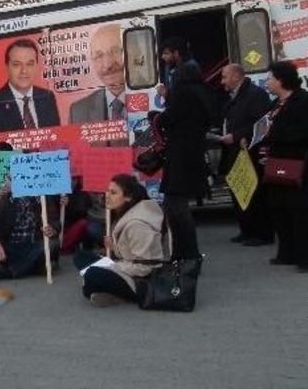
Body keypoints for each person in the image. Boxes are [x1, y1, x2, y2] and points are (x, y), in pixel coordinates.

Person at [261, 61, 308, 273]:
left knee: (301, 213)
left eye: (270, 78)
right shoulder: (275, 104)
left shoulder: (307, 101)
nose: (267, 82)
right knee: (280, 210)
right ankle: (287, 252)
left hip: (299, 164)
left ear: (281, 80)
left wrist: (274, 135)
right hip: (277, 163)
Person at [76, 174, 165, 306]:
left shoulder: (137, 225)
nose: (107, 195)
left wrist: (113, 267)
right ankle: (111, 293)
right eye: (107, 191)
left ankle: (125, 295)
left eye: (113, 193)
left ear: (128, 197)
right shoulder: (123, 213)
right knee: (80, 257)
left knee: (92, 275)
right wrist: (114, 248)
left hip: (141, 278)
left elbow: (144, 267)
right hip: (127, 266)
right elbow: (127, 253)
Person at [157, 58, 213, 261]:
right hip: (194, 153)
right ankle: (185, 252)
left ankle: (187, 253)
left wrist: (157, 117)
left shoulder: (183, 94)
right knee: (179, 205)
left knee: (176, 205)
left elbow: (168, 118)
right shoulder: (202, 92)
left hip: (180, 155)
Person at [219, 63, 274, 246]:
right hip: (235, 150)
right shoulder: (235, 96)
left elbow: (260, 124)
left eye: (225, 77)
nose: (222, 81)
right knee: (239, 190)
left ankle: (261, 233)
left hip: (250, 150)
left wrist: (236, 135)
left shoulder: (256, 95)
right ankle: (247, 229)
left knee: (255, 193)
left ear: (236, 76)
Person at [0, 38, 60, 133]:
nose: (24, 71)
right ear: (7, 66)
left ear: (36, 65)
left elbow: (57, 138)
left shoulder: (47, 97)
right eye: (17, 64)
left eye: (29, 64)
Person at [0, 187, 60, 280]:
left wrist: (52, 229)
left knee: (53, 244)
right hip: (11, 246)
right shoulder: (7, 199)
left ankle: (11, 271)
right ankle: (34, 267)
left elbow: (55, 220)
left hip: (33, 245)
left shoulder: (43, 199)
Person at [70, 24, 127, 123]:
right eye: (99, 56)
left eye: (116, 51)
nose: (108, 64)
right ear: (92, 62)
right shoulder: (78, 111)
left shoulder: (153, 94)